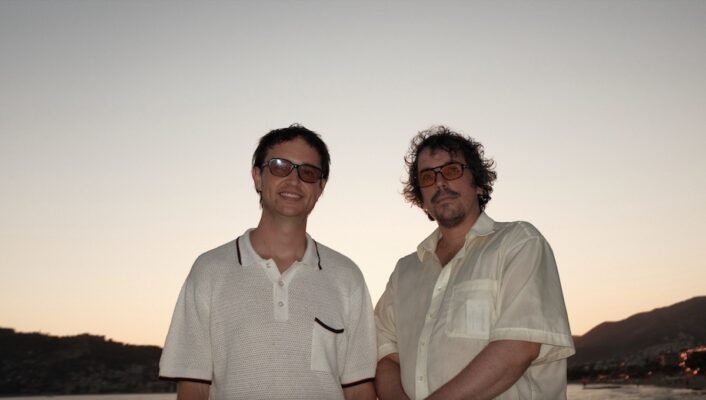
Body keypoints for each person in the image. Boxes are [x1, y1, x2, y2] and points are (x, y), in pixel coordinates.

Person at [159, 124, 377, 400]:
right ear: (257, 177)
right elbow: (194, 387)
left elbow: (358, 389)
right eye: (279, 166)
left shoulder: (347, 277)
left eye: (308, 172)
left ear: (320, 187)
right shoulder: (209, 271)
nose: (294, 180)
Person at [375, 126, 575, 400]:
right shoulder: (404, 272)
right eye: (427, 176)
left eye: (452, 170)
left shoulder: (519, 243)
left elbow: (520, 346)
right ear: (421, 199)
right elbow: (385, 352)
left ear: (478, 182)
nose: (440, 182)